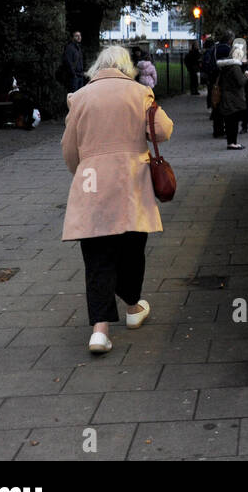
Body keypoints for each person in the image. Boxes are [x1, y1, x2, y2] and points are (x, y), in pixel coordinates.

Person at [60, 45, 173, 354]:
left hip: (92, 182)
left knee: (97, 254)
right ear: (127, 66)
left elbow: (69, 149)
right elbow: (163, 131)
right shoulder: (140, 93)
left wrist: (84, 172)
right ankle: (133, 308)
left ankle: (100, 330)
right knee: (132, 248)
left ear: (98, 66)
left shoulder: (80, 97)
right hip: (131, 182)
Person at [215, 38, 248, 149]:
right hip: (234, 97)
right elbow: (241, 82)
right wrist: (247, 76)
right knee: (233, 121)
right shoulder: (235, 67)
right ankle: (233, 143)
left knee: (229, 120)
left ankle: (231, 142)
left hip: (226, 96)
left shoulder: (225, 66)